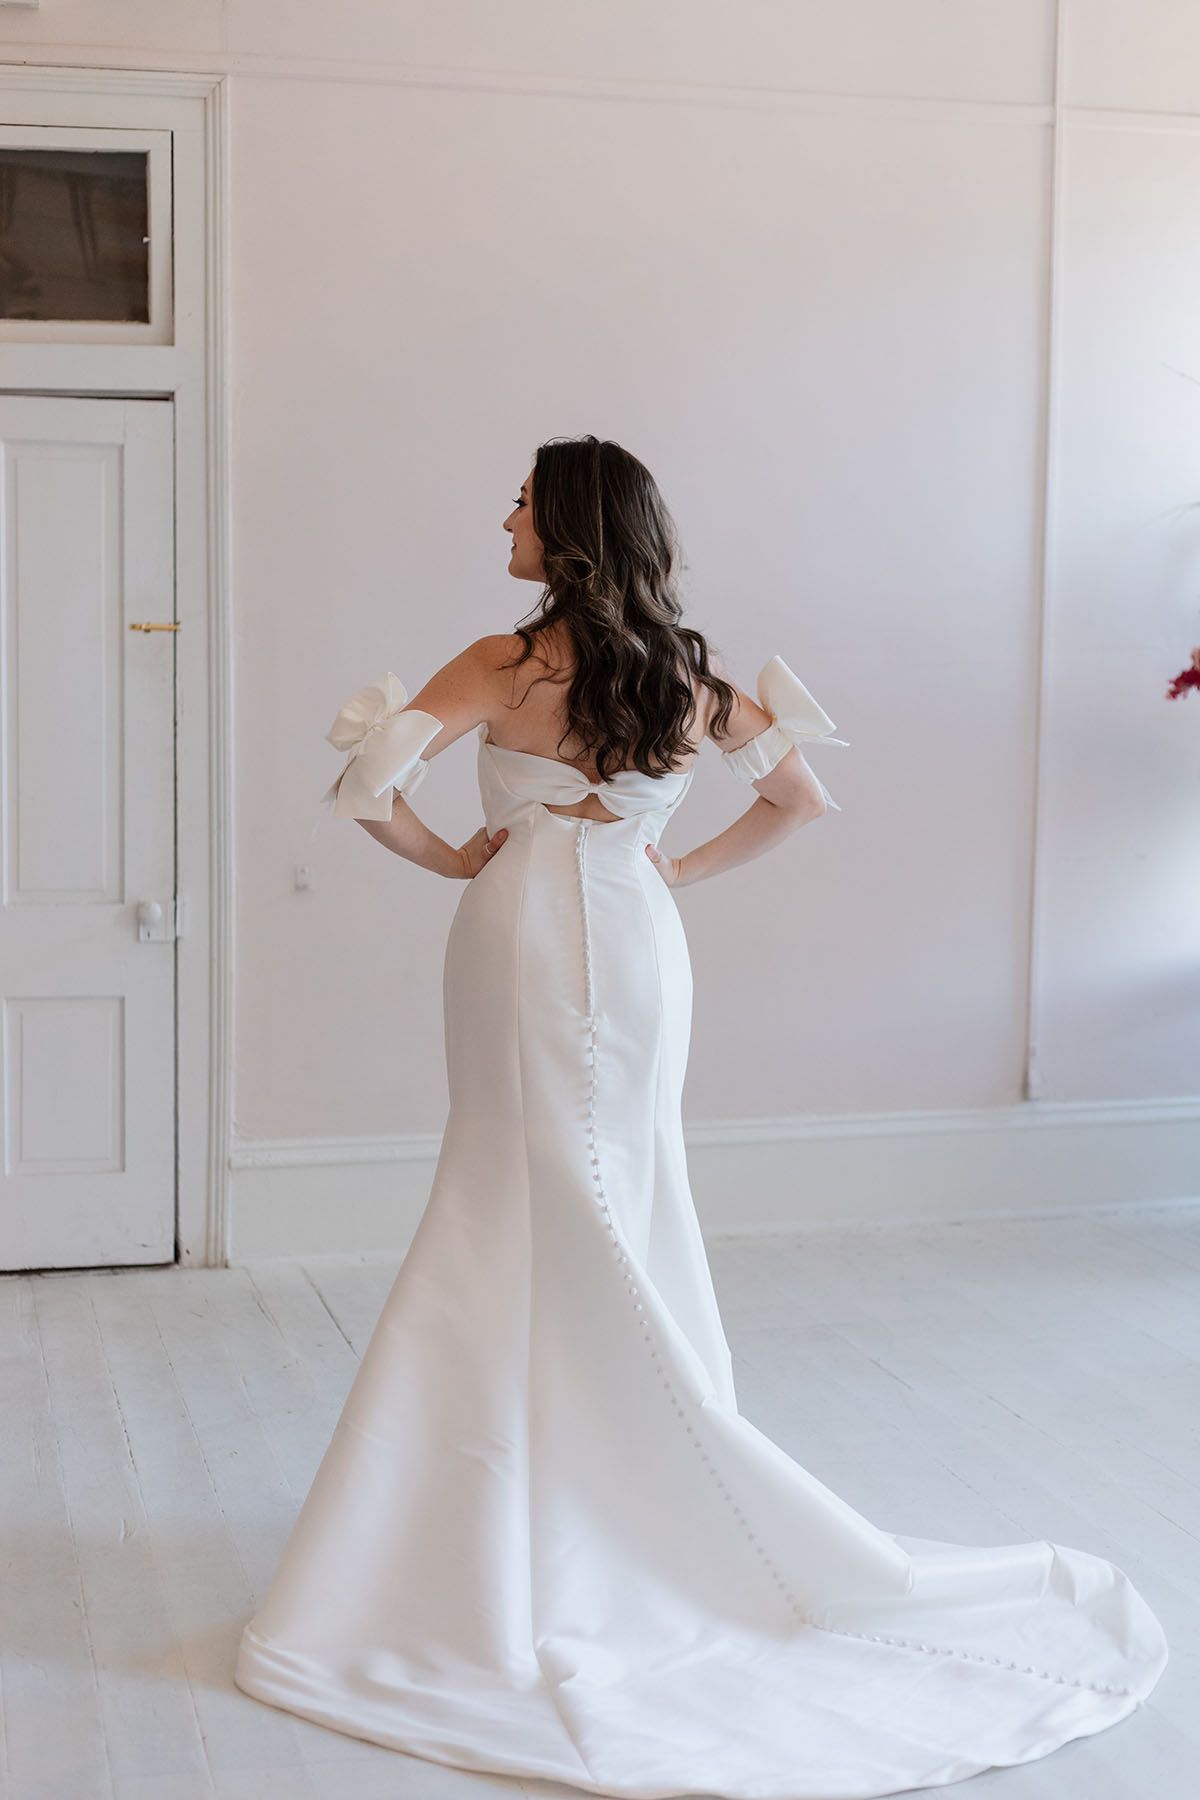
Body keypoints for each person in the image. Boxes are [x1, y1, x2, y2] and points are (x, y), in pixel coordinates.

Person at [234, 435, 1167, 1798]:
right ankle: (639, 1461)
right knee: (625, 1182)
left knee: (508, 1186)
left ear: (563, 530)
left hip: (517, 940)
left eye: (519, 502)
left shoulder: (501, 668)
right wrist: (675, 869)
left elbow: (367, 785)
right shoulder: (688, 673)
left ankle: (513, 1489)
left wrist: (458, 856)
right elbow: (802, 797)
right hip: (636, 930)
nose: (501, 517)